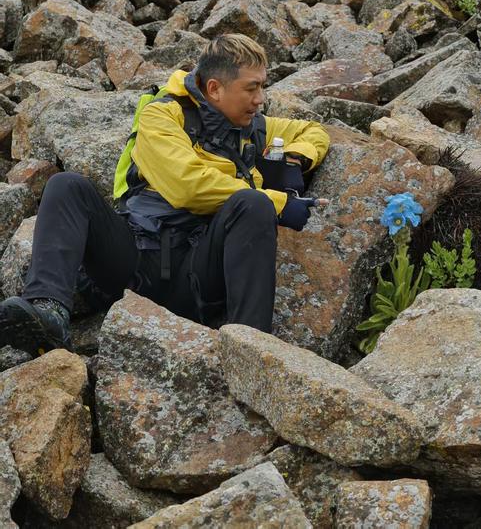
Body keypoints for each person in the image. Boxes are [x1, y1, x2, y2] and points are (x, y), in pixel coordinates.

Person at [0, 34, 330, 356]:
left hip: (197, 277)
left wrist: (296, 157)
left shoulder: (255, 127)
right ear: (214, 88)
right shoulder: (161, 116)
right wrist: (281, 204)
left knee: (253, 204)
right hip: (136, 264)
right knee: (66, 185)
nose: (261, 99)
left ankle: (251, 349)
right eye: (252, 88)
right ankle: (48, 312)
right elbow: (187, 186)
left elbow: (313, 132)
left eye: (262, 85)